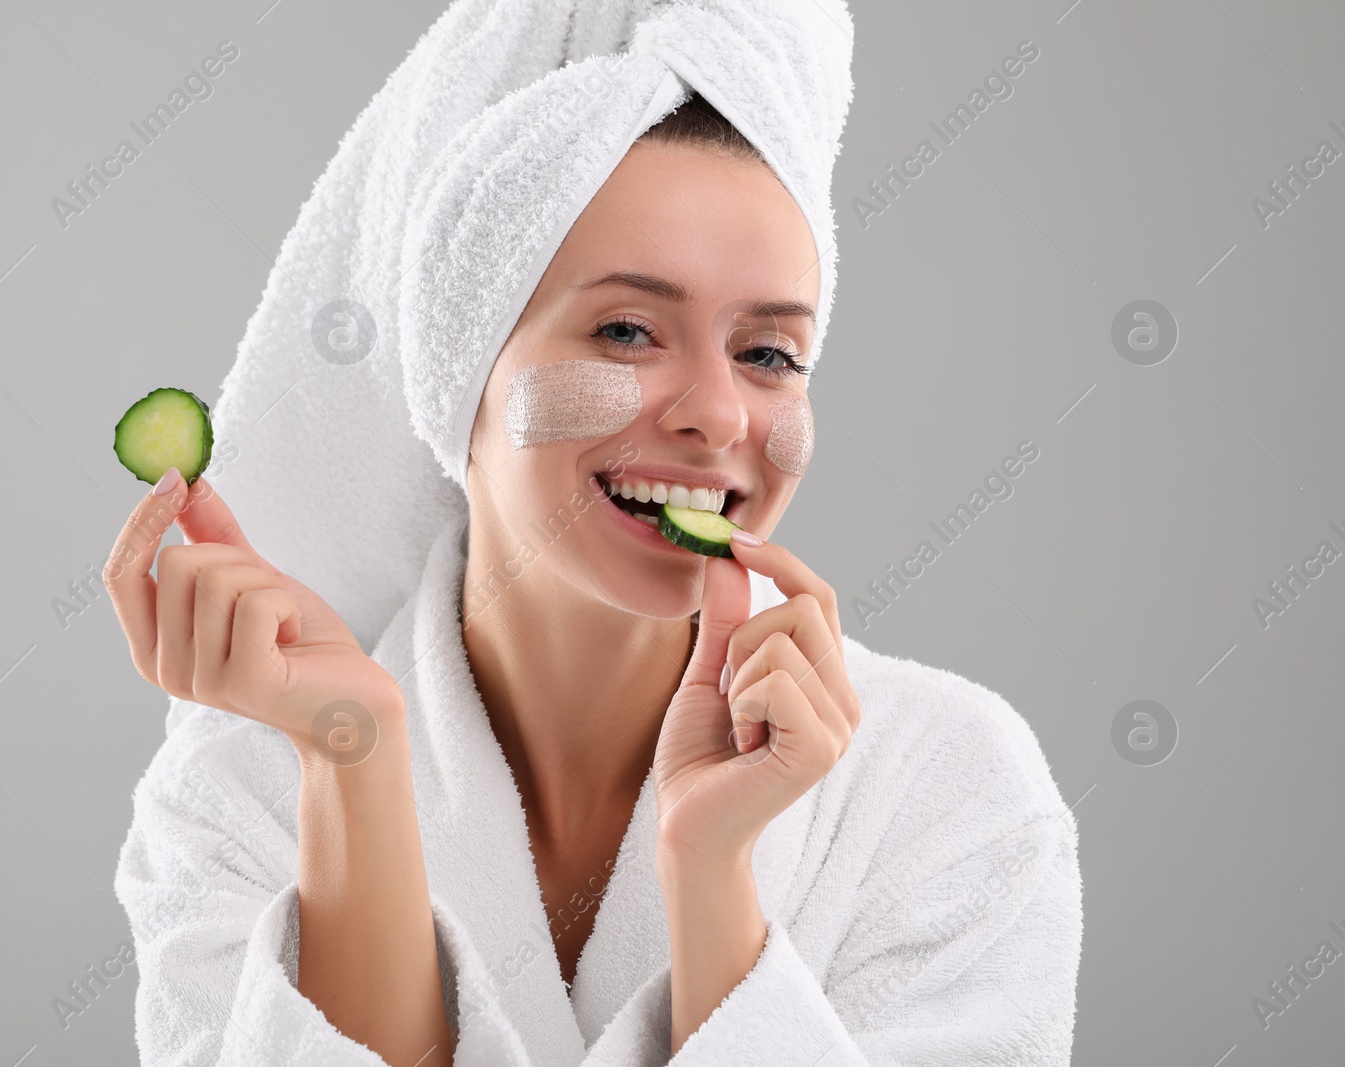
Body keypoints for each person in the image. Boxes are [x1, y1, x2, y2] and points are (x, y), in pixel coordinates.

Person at [106, 82, 1081, 1066]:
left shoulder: (948, 786)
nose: (720, 414)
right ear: (460, 373)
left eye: (769, 353)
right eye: (626, 330)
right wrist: (349, 762)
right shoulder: (244, 792)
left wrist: (712, 883)